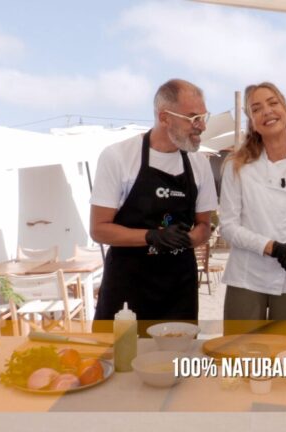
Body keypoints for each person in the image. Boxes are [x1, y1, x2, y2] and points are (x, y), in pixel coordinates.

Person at [90, 79, 218, 336]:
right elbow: (99, 230)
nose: (201, 126)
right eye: (193, 118)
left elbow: (205, 225)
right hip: (128, 287)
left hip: (178, 288)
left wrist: (189, 238)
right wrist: (152, 236)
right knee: (120, 365)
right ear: (164, 117)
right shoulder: (119, 157)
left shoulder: (198, 164)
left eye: (203, 117)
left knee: (176, 367)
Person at [220, 82, 286, 338]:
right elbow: (228, 227)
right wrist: (273, 247)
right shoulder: (237, 166)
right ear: (252, 123)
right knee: (240, 359)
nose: (266, 111)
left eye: (273, 103)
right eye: (256, 109)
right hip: (245, 276)